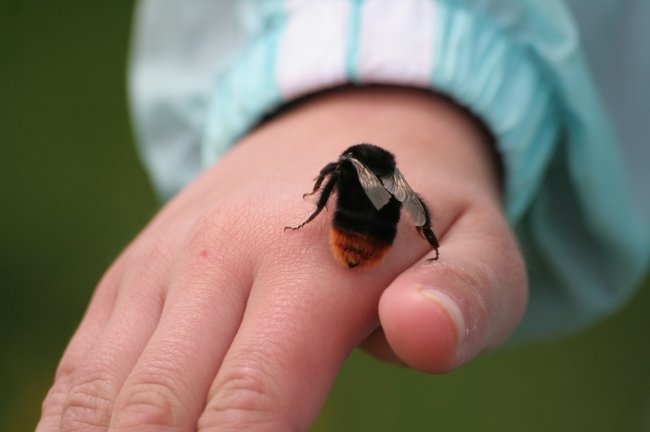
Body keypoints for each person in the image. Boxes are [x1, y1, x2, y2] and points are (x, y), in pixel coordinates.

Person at [37, 1, 649, 431]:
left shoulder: (350, 170)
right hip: (368, 242)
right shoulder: (389, 178)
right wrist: (424, 237)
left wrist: (325, 185)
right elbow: (407, 203)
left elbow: (347, 182)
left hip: (357, 233)